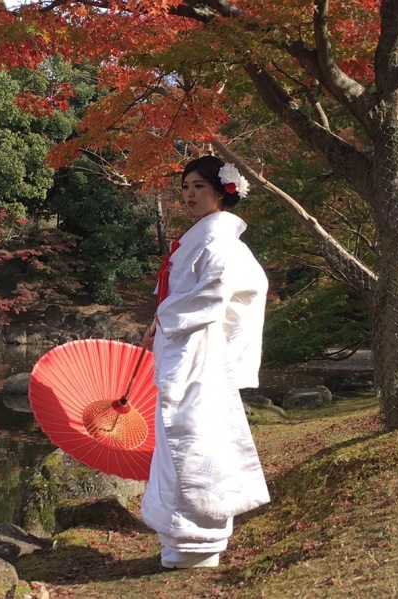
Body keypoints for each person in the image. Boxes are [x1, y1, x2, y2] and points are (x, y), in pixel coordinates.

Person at [140, 155, 270, 569]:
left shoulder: (218, 242)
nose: (190, 194)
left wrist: (165, 317)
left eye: (198, 186)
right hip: (185, 349)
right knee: (179, 440)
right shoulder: (201, 237)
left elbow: (214, 296)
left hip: (200, 358)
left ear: (220, 191)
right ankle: (178, 542)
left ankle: (198, 541)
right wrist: (158, 322)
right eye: (186, 187)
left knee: (192, 440)